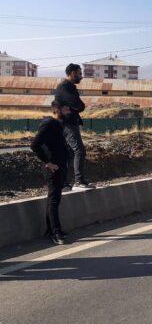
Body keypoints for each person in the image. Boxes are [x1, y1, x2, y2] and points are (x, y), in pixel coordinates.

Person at [30, 100, 72, 245]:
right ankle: (56, 233)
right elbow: (34, 144)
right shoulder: (48, 124)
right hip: (52, 168)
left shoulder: (58, 124)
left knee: (54, 199)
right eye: (66, 109)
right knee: (54, 200)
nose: (69, 112)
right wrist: (47, 162)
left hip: (60, 165)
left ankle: (51, 229)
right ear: (57, 110)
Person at [54, 63, 95, 191]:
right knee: (79, 150)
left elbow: (78, 105)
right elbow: (78, 105)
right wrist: (76, 107)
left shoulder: (69, 87)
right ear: (72, 73)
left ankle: (64, 183)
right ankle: (79, 181)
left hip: (69, 123)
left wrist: (76, 107)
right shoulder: (65, 87)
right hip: (67, 124)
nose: (81, 76)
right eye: (79, 73)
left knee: (68, 153)